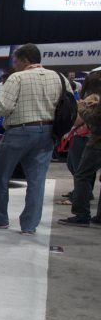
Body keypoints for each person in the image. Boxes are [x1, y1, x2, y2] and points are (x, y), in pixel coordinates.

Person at [0, 43, 67, 235]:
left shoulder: (17, 78)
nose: (14, 64)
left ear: (25, 60)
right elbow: (68, 104)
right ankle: (29, 226)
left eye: (15, 60)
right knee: (37, 180)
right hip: (48, 131)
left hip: (19, 131)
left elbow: (4, 106)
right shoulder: (59, 77)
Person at [59, 72, 101, 227]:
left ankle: (81, 215)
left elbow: (94, 119)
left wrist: (82, 108)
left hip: (96, 142)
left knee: (82, 175)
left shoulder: (91, 97)